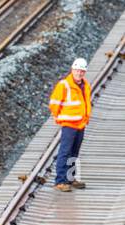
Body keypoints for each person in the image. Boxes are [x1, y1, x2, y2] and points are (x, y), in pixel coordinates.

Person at [49, 58, 91, 192]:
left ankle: (70, 178)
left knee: (74, 152)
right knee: (65, 152)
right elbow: (54, 104)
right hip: (69, 124)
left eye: (82, 71)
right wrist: (59, 118)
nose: (79, 73)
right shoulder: (64, 85)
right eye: (77, 70)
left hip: (80, 124)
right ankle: (60, 181)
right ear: (72, 70)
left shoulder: (86, 85)